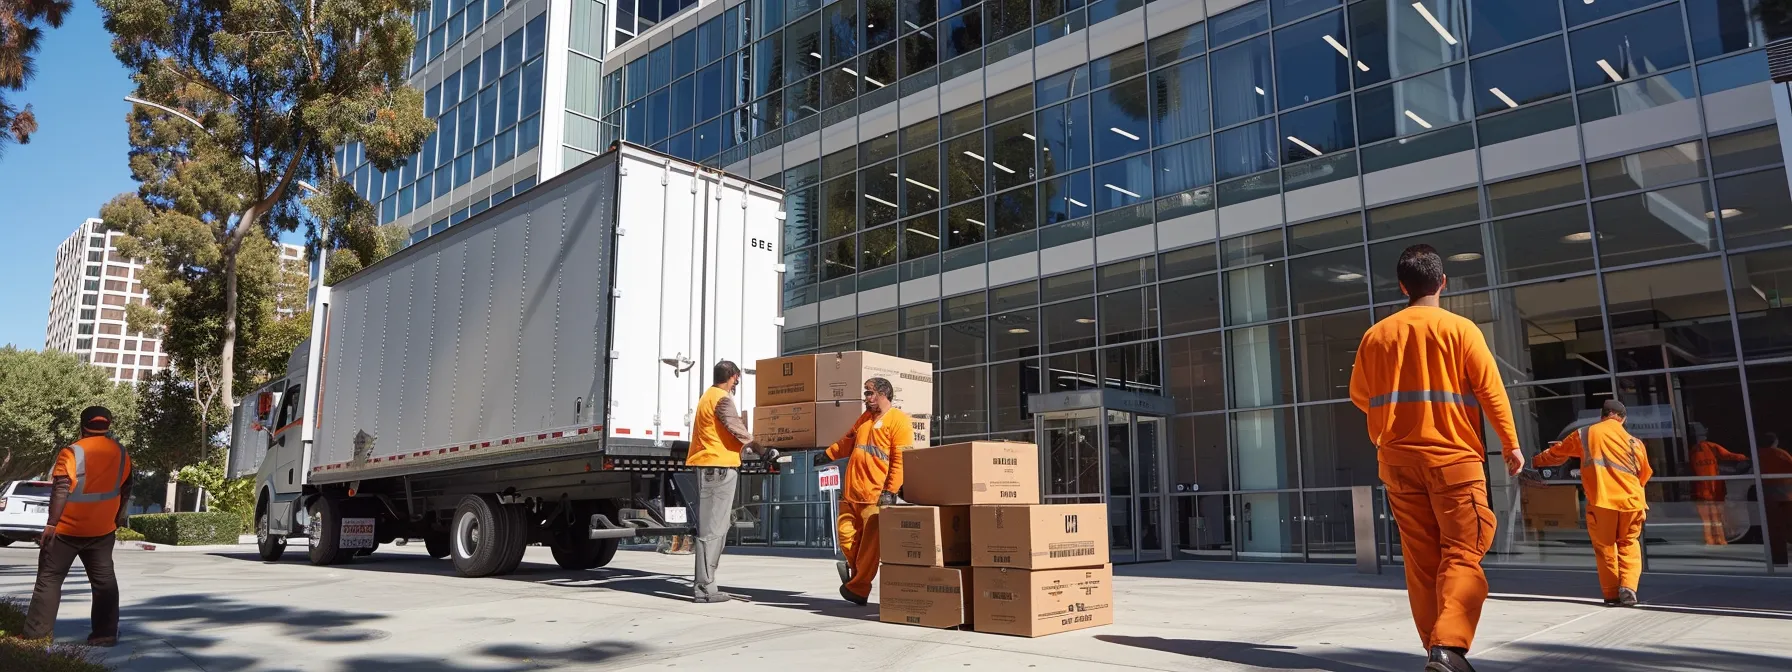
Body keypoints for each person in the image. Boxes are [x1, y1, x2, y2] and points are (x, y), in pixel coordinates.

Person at [1349, 245, 1522, 672]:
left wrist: (1393, 421)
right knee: (1464, 552)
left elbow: (1359, 396)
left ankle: (1436, 649)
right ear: (1443, 282)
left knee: (1422, 563)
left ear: (1403, 286)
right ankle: (1448, 647)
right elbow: (1491, 393)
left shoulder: (1377, 335)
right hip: (1453, 461)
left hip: (1397, 462)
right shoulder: (1461, 330)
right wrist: (1512, 444)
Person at [25, 405, 133, 646]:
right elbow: (126, 489)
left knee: (49, 580)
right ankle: (105, 634)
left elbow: (61, 489)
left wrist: (51, 524)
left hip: (67, 531)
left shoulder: (71, 452)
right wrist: (117, 518)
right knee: (104, 581)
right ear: (108, 424)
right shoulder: (122, 453)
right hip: (103, 531)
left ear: (82, 425)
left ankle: (36, 637)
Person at [1533, 401, 1653, 606]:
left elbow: (1558, 454)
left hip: (1603, 500)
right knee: (1629, 543)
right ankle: (1629, 587)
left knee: (1605, 546)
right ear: (1622, 418)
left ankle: (1612, 593)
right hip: (1632, 501)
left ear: (1603, 415)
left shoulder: (1586, 434)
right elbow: (1644, 474)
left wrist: (1537, 461)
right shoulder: (1634, 441)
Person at [684, 361, 776, 604]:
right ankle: (704, 588)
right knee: (713, 530)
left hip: (712, 465)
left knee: (714, 528)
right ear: (734, 377)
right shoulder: (722, 399)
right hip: (718, 468)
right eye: (737, 379)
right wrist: (763, 450)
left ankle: (706, 584)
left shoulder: (708, 396)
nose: (737, 383)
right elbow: (737, 429)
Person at [813, 377, 910, 606]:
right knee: (846, 538)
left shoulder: (899, 421)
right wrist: (827, 454)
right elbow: (847, 441)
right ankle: (855, 576)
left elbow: (900, 460)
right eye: (866, 393)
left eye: (869, 393)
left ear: (883, 394)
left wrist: (890, 491)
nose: (866, 398)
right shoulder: (865, 419)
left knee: (868, 548)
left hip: (874, 496)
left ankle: (858, 587)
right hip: (851, 493)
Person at [1687, 422, 1749, 545]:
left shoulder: (1690, 451)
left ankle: (1710, 540)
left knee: (1706, 519)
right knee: (1717, 517)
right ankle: (1720, 540)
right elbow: (1729, 456)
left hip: (1701, 490)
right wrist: (1745, 458)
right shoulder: (1710, 446)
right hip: (1714, 489)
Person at [1758, 432, 1792, 566]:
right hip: (1786, 495)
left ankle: (1779, 559)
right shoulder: (1780, 453)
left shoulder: (1759, 455)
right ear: (1775, 442)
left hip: (1768, 496)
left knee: (1775, 530)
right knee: (1789, 525)